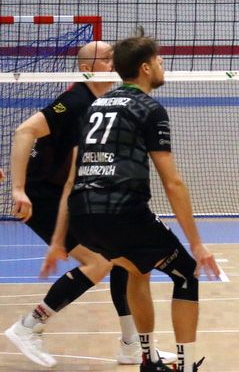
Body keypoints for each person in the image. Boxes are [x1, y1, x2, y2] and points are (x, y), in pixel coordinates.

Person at [42, 33, 219, 372]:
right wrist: (197, 244)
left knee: (138, 268)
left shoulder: (94, 107)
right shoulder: (149, 108)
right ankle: (185, 366)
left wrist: (58, 239)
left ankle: (148, 360)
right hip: (122, 212)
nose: (163, 65)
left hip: (83, 216)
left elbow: (71, 179)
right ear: (145, 67)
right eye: (159, 60)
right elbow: (172, 182)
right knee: (186, 273)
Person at [3, 41, 173, 369]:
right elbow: (24, 131)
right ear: (88, 68)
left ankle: (131, 346)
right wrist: (18, 189)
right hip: (42, 198)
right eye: (107, 58)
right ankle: (28, 325)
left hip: (71, 196)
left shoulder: (104, 103)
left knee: (124, 259)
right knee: (98, 262)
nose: (114, 62)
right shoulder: (75, 100)